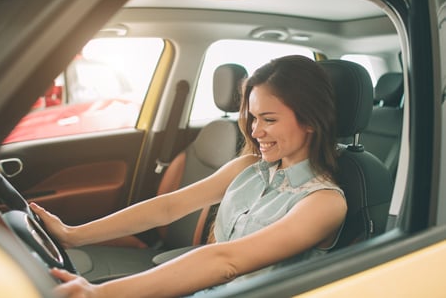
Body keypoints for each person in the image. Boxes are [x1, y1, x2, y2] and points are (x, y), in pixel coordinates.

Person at [31, 55, 347, 298]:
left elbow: (227, 262)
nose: (255, 130)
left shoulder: (323, 202)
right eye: (252, 117)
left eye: (269, 119)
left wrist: (99, 293)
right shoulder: (249, 168)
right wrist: (73, 235)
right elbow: (167, 208)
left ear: (310, 121)